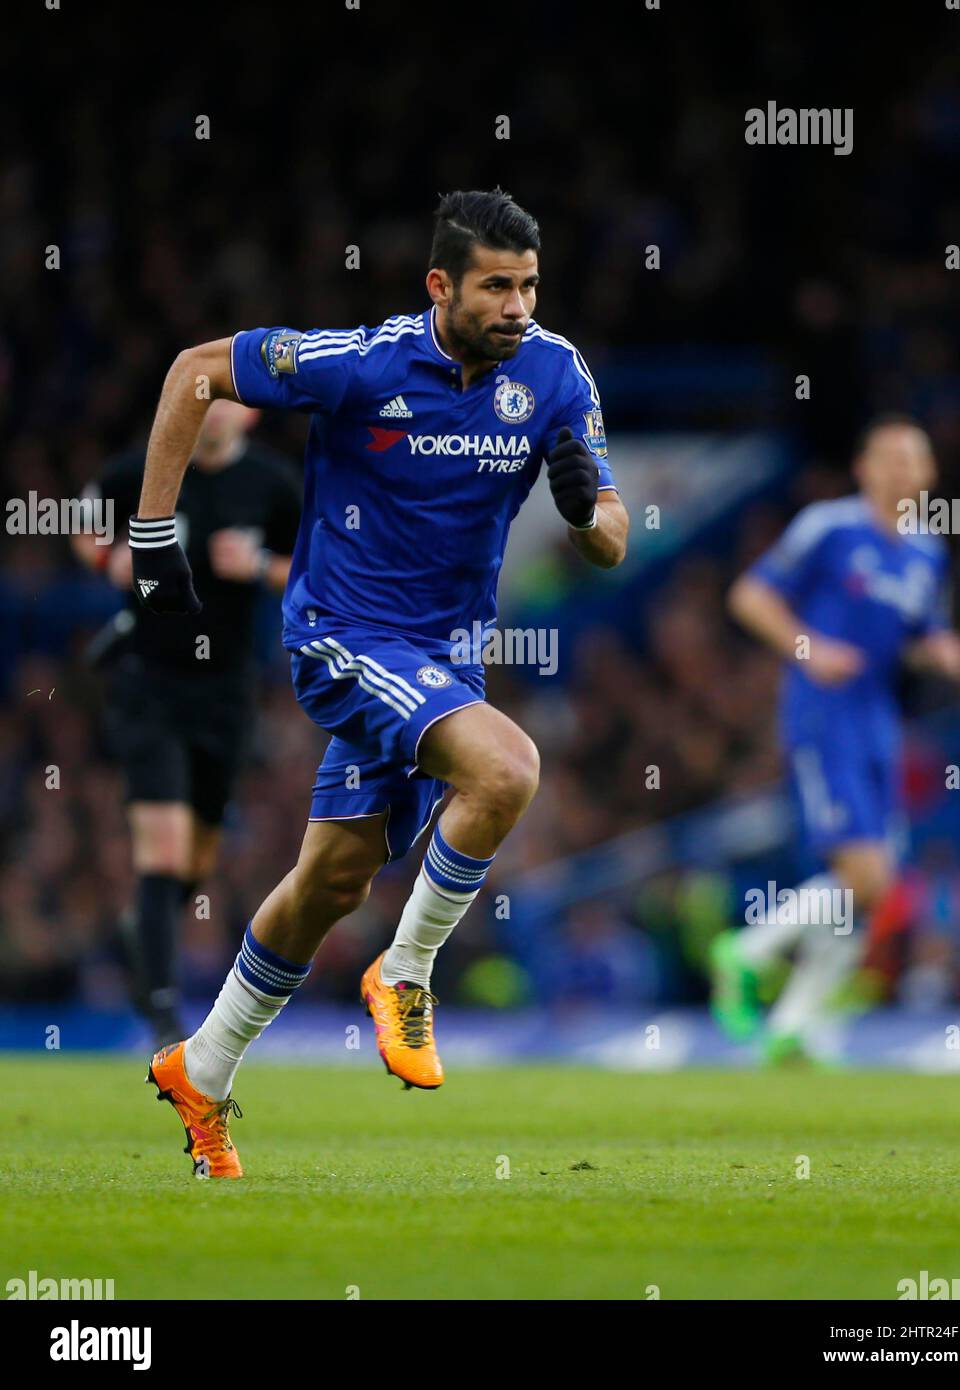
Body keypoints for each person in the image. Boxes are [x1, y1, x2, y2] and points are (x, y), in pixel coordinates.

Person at [135, 188, 629, 1176]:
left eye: (529, 285)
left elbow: (611, 537)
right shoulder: (361, 364)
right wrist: (154, 535)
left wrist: (584, 515)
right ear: (442, 284)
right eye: (495, 286)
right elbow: (197, 372)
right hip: (343, 635)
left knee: (331, 880)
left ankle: (204, 1066)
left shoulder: (556, 373)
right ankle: (405, 970)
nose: (516, 306)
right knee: (508, 768)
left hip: (444, 658)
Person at [711, 416, 960, 1060]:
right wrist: (809, 647)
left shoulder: (928, 550)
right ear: (863, 468)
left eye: (913, 460)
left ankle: (792, 1028)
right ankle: (744, 951)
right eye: (887, 458)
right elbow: (750, 596)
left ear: (930, 474)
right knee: (868, 875)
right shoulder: (828, 527)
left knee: (870, 887)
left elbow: (916, 635)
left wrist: (937, 648)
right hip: (825, 714)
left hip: (880, 722)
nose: (900, 471)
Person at [73, 401, 301, 1047]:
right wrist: (104, 560)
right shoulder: (142, 472)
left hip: (226, 690)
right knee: (164, 852)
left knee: (198, 855)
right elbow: (81, 523)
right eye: (198, 397)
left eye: (222, 396)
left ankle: (140, 932)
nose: (207, 410)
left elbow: (314, 570)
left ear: (250, 414)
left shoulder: (272, 485)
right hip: (148, 681)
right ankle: (165, 1013)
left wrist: (258, 567)